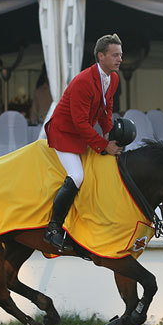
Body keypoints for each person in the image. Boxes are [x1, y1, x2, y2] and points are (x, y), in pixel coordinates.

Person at [43, 34, 123, 252]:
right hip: (64, 133)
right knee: (77, 176)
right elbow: (79, 122)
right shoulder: (84, 80)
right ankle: (52, 229)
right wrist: (103, 145)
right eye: (115, 55)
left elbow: (106, 110)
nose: (119, 59)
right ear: (101, 56)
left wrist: (108, 133)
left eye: (120, 55)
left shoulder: (113, 78)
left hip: (80, 133)